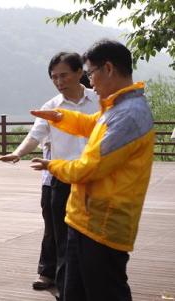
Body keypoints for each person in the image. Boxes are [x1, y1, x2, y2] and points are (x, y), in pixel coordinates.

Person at [30, 39, 155, 301]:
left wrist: (52, 165)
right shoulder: (116, 107)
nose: (90, 82)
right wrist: (60, 117)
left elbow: (90, 168)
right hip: (85, 219)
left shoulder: (129, 114)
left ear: (107, 68)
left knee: (105, 292)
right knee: (74, 291)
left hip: (104, 226)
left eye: (90, 73)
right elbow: (91, 124)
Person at [0, 52, 98, 299]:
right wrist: (18, 153)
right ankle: (66, 291)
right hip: (61, 180)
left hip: (97, 180)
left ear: (79, 73)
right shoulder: (51, 106)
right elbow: (35, 135)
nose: (59, 81)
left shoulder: (100, 100)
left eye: (64, 75)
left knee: (95, 241)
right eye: (54, 77)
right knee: (63, 242)